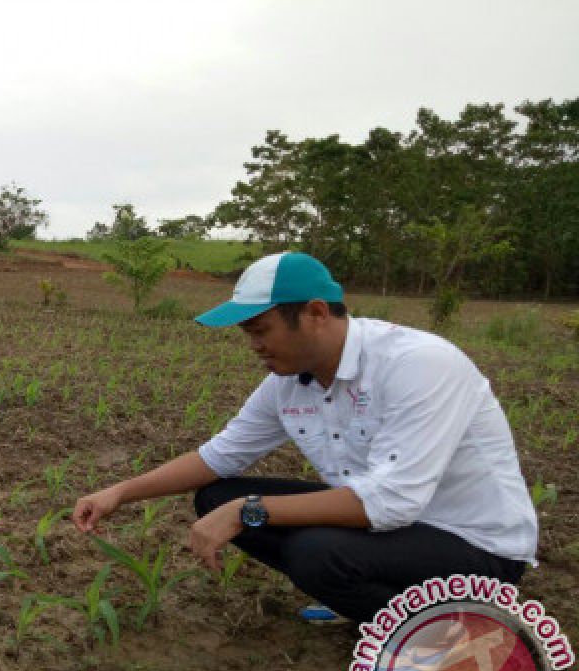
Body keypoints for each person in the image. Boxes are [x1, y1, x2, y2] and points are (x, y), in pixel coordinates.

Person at [72, 252, 537, 624]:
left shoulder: (418, 364)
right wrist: (120, 492)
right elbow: (221, 456)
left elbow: (394, 501)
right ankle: (383, 605)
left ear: (315, 313)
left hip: (474, 547)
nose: (253, 345)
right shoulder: (288, 381)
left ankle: (445, 632)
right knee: (218, 496)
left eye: (260, 330)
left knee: (313, 552)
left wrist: (249, 510)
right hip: (391, 529)